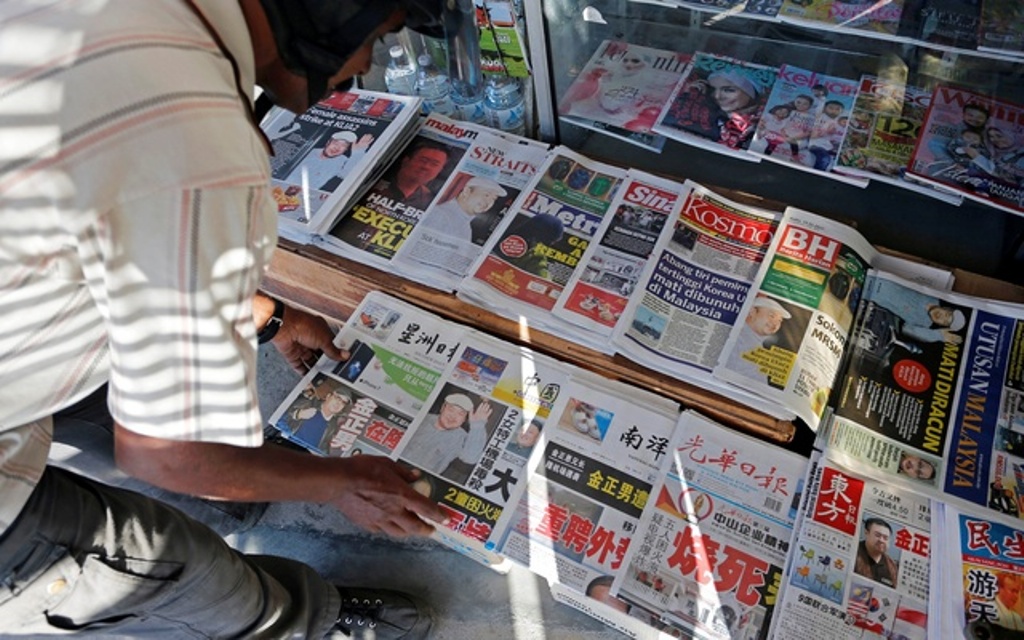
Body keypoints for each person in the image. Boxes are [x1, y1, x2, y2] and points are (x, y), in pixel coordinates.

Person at [0, 0, 451, 638]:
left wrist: (271, 319)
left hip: (21, 329)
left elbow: (126, 246)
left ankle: (231, 495)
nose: (366, 66)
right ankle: (295, 618)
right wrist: (342, 482)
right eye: (381, 35)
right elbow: (164, 454)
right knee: (181, 576)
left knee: (148, 449)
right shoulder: (200, 147)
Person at [401, 393, 494, 477]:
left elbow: (471, 458)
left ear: (464, 420)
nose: (453, 416)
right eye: (451, 409)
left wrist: (477, 426)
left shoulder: (461, 437)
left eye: (461, 414)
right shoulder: (422, 418)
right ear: (442, 408)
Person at [865, 277, 966, 345]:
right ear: (947, 308)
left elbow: (907, 329)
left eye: (944, 322)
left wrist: (938, 335)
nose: (941, 317)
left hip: (870, 293)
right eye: (947, 314)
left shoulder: (925, 323)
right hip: (881, 276)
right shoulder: (934, 294)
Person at [421, 176, 508, 242]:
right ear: (466, 191)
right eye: (486, 195)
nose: (489, 203)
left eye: (494, 199)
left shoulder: (465, 224)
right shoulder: (440, 214)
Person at [724, 296, 792, 380]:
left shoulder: (755, 342)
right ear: (752, 312)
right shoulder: (740, 339)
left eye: (779, 321)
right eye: (771, 316)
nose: (775, 324)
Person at [286, 129, 375, 191]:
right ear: (328, 142)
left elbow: (348, 174)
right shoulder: (306, 152)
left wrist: (357, 153)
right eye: (336, 143)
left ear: (345, 150)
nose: (337, 148)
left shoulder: (342, 161)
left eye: (344, 146)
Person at [374, 141, 452, 210]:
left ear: (440, 170)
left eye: (434, 164)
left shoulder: (428, 200)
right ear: (406, 161)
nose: (426, 167)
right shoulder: (377, 181)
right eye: (423, 160)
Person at [290, 387, 353, 453]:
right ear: (328, 396)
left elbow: (324, 448)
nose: (339, 403)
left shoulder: (333, 426)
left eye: (343, 402)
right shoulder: (309, 404)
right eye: (338, 398)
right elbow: (285, 414)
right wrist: (298, 414)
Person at [853, 518, 899, 587]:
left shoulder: (892, 565)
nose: (881, 540)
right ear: (866, 533)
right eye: (877, 535)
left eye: (885, 538)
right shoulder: (854, 552)